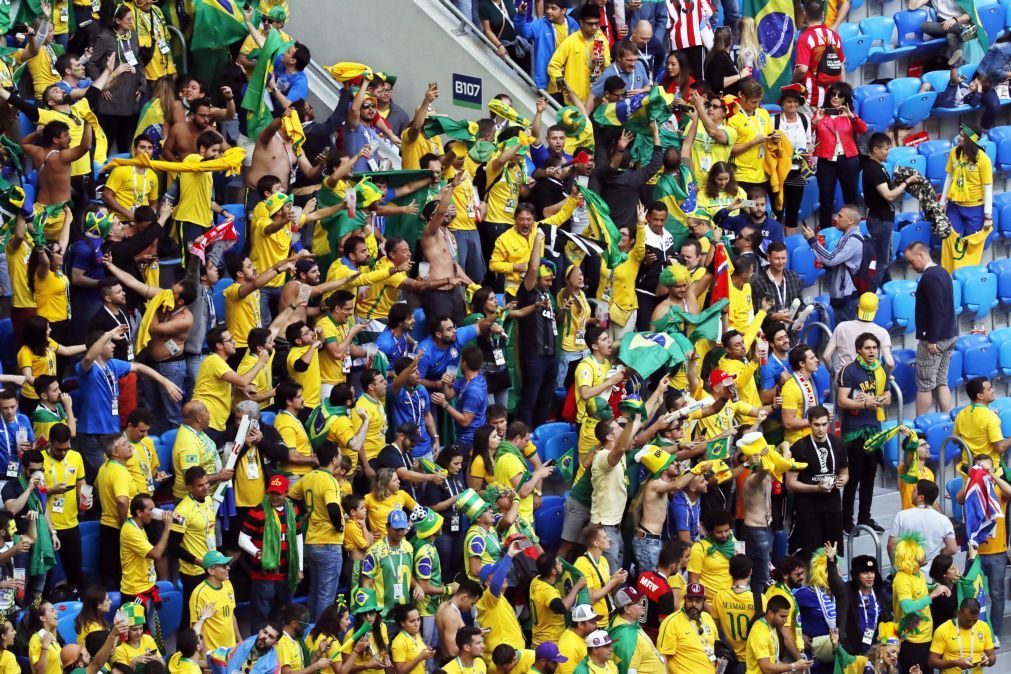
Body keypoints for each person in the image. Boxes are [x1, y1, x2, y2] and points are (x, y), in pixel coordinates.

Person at [837, 333, 889, 533]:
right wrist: (864, 402)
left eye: (874, 348)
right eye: (868, 348)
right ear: (859, 349)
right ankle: (846, 520)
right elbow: (842, 400)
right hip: (855, 432)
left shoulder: (879, 369)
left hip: (874, 429)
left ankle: (865, 517)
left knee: (870, 476)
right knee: (854, 476)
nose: (872, 352)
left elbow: (887, 394)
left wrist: (881, 400)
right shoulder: (848, 371)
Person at [287, 442, 345, 621]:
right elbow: (334, 508)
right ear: (334, 459)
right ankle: (320, 634)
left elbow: (290, 496)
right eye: (340, 455)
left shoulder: (309, 476)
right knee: (326, 597)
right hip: (328, 543)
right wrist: (339, 526)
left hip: (311, 542)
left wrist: (305, 513)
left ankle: (309, 630)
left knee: (314, 593)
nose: (341, 457)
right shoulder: (330, 481)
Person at [239, 473, 303, 628]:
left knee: (283, 614)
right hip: (263, 574)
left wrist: (299, 567)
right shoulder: (257, 512)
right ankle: (258, 647)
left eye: (278, 493)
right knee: (261, 615)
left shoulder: (293, 509)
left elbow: (298, 537)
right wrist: (259, 554)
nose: (274, 497)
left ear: (286, 493)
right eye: (271, 492)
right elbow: (242, 539)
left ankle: (279, 647)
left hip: (286, 572)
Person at [904, 242, 958, 415]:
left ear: (922, 255)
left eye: (912, 261)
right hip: (949, 335)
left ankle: (920, 429)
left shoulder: (929, 277)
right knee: (942, 381)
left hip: (935, 339)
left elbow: (937, 310)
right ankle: (946, 420)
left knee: (925, 385)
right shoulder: (943, 272)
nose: (911, 266)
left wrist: (932, 339)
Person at [862, 133, 918, 283]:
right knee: (881, 263)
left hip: (883, 219)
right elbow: (888, 195)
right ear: (875, 149)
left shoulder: (879, 167)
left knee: (885, 260)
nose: (888, 152)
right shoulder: (873, 169)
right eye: (886, 149)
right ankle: (871, 294)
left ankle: (887, 287)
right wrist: (906, 182)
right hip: (880, 220)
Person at [892, 533, 949, 673]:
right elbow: (907, 607)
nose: (924, 554)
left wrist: (933, 587)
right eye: (920, 553)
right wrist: (932, 595)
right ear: (911, 557)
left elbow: (920, 590)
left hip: (926, 636)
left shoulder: (918, 573)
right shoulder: (902, 580)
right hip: (912, 640)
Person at [812, 84, 865, 231]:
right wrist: (814, 122)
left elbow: (863, 129)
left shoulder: (849, 114)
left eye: (840, 96)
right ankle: (825, 232)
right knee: (826, 200)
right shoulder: (820, 113)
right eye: (833, 95)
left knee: (851, 198)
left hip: (848, 159)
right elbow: (807, 134)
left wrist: (852, 117)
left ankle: (853, 231)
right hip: (826, 161)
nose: (835, 98)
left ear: (845, 99)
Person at [801, 206, 863, 323]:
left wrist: (812, 241)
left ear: (850, 221)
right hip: (842, 296)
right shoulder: (846, 237)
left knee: (845, 337)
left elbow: (831, 259)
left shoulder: (853, 240)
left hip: (847, 299)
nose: (835, 218)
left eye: (840, 216)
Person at [119, 494, 172, 629]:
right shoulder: (130, 531)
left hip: (147, 587)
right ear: (139, 512)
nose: (154, 513)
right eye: (150, 510)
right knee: (137, 636)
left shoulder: (139, 526)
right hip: (135, 593)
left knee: (152, 635)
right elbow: (156, 554)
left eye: (155, 508)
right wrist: (167, 528)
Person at [546, 5, 611, 104]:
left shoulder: (602, 40)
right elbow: (553, 66)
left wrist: (604, 63)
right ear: (581, 22)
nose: (594, 27)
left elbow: (608, 69)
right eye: (590, 24)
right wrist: (563, 87)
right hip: (573, 102)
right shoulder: (570, 41)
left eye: (597, 24)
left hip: (595, 100)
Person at [940, 123, 994, 237]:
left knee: (970, 244)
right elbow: (949, 177)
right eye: (959, 134)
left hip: (974, 207)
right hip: (954, 205)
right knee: (952, 239)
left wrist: (988, 215)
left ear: (970, 140)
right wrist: (942, 202)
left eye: (962, 136)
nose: (958, 138)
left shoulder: (983, 159)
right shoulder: (954, 152)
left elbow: (987, 188)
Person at [823, 293, 895, 377]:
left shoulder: (841, 327)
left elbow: (826, 356)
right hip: (869, 384)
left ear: (858, 307)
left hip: (843, 381)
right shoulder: (882, 333)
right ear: (876, 310)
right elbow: (890, 363)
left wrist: (833, 373)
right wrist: (885, 378)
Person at [656, 583, 719, 674]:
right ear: (684, 599)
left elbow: (716, 646)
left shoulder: (708, 618)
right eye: (690, 600)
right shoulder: (671, 622)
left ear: (703, 602)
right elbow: (662, 657)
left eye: (698, 600)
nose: (693, 604)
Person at [793, 1, 845, 108]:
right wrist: (841, 92)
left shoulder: (804, 38)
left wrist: (793, 81)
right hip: (832, 97)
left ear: (805, 14)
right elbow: (841, 67)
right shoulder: (835, 36)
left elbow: (802, 69)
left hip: (811, 99)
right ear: (823, 15)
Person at [729, 79, 776, 194]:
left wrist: (774, 138)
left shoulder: (764, 114)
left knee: (758, 209)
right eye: (753, 102)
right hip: (742, 177)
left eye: (759, 102)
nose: (757, 106)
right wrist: (753, 142)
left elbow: (770, 137)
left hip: (763, 175)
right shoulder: (732, 119)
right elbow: (730, 150)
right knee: (746, 207)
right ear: (741, 96)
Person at [746, 595, 813, 674]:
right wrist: (794, 666)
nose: (785, 620)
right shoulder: (760, 633)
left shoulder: (772, 626)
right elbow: (766, 668)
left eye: (787, 616)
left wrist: (792, 669)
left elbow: (774, 662)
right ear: (770, 613)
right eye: (782, 616)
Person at [711, 555, 757, 665]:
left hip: (728, 659)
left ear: (729, 571)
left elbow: (714, 629)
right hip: (753, 661)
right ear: (750, 572)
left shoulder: (719, 597)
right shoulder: (760, 599)